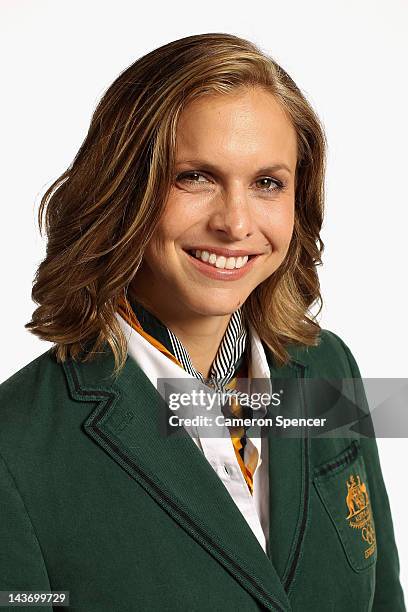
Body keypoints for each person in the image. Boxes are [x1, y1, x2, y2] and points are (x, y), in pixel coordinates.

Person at [0, 32, 405, 612]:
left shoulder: (330, 365)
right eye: (195, 176)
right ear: (122, 191)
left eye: (268, 183)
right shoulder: (13, 450)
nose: (236, 223)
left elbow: (384, 596)